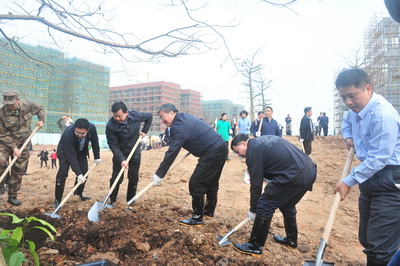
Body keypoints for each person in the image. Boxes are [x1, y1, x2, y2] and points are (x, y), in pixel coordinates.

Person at [334, 68, 400, 265]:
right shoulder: (355, 110)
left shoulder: (382, 115)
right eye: (343, 97)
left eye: (352, 96)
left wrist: (348, 181)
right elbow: (347, 122)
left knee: (380, 248)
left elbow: (379, 158)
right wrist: (348, 137)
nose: (348, 102)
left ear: (368, 88)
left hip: (391, 180)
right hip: (370, 177)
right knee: (368, 239)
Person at [230, 134, 316, 257]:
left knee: (264, 204)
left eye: (237, 151)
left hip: (294, 175)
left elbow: (256, 184)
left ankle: (255, 246)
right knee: (287, 204)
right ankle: (291, 240)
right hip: (310, 170)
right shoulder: (262, 141)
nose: (239, 155)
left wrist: (254, 209)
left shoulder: (253, 151)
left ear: (244, 143)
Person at [152, 103, 227, 227]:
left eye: (162, 117)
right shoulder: (184, 117)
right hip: (220, 147)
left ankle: (197, 218)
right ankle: (209, 211)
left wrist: (159, 174)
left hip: (213, 151)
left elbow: (172, 152)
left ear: (171, 113)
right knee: (211, 181)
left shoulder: (178, 126)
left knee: (196, 182)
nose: (162, 121)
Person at [0, 90, 45, 206]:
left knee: (18, 170)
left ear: (18, 100)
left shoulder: (28, 106)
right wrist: (14, 147)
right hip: (5, 143)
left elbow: (40, 109)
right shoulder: (1, 113)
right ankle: (1, 185)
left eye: (12, 104)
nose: (9, 106)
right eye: (7, 104)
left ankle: (12, 196)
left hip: (23, 143)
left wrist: (41, 120)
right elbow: (3, 134)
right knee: (1, 162)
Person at [106, 102, 153, 205]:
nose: (117, 118)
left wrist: (144, 131)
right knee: (116, 177)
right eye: (115, 116)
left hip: (134, 150)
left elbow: (149, 116)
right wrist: (121, 159)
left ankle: (130, 201)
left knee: (133, 177)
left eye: (119, 116)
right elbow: (112, 144)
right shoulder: (111, 125)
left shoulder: (135, 116)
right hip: (120, 152)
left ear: (126, 113)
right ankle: (112, 200)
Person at [52, 118, 101, 208]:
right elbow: (71, 156)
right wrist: (78, 174)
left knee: (84, 172)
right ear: (74, 128)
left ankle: (78, 194)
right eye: (77, 132)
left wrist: (97, 157)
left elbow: (95, 142)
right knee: (62, 172)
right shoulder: (68, 133)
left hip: (81, 150)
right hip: (65, 150)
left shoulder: (92, 128)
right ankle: (57, 200)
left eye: (83, 133)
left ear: (88, 130)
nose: (79, 135)